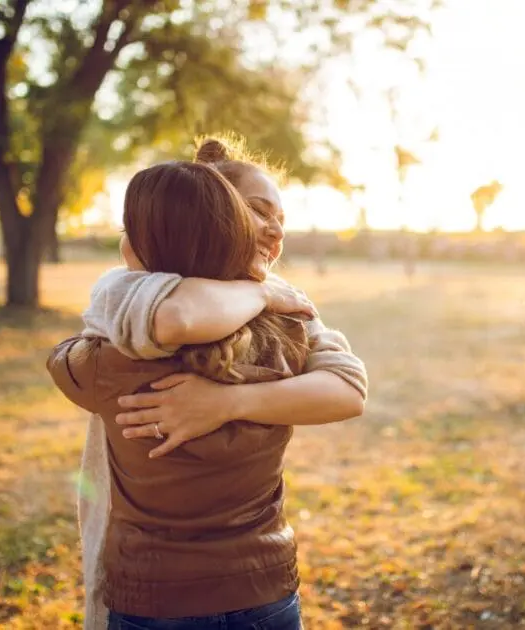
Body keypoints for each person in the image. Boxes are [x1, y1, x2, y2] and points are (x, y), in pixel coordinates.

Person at [48, 144, 366, 629]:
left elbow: (64, 362)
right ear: (215, 218)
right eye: (259, 211)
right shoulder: (288, 333)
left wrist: (227, 401)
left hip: (155, 595)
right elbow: (179, 315)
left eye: (281, 219)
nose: (277, 231)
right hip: (264, 586)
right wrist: (261, 294)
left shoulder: (108, 358)